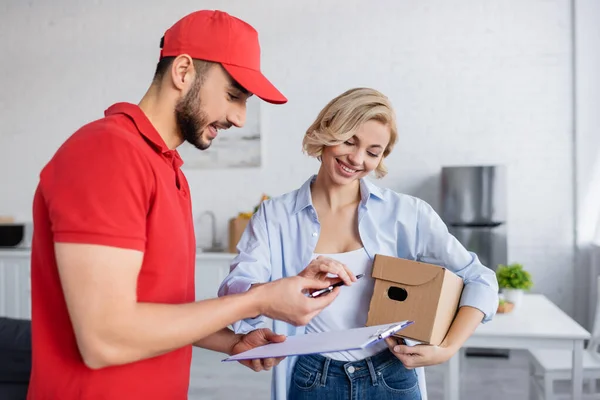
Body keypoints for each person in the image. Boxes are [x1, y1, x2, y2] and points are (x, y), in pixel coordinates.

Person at [27, 10, 341, 400]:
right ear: (183, 71)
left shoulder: (166, 168)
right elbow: (104, 338)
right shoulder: (106, 153)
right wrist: (259, 299)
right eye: (232, 96)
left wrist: (231, 341)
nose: (240, 118)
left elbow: (152, 308)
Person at [218, 87, 500, 400]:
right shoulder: (276, 215)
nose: (356, 158)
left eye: (372, 151)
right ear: (326, 133)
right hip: (312, 378)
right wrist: (278, 298)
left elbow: (480, 278)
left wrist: (448, 348)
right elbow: (237, 287)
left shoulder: (407, 213)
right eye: (349, 140)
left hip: (392, 373)